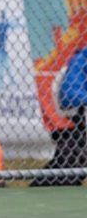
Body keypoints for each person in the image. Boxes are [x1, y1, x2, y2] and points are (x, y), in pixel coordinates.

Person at [31, 47, 87, 186]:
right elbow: (69, 95)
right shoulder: (81, 59)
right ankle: (43, 185)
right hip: (79, 113)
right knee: (74, 157)